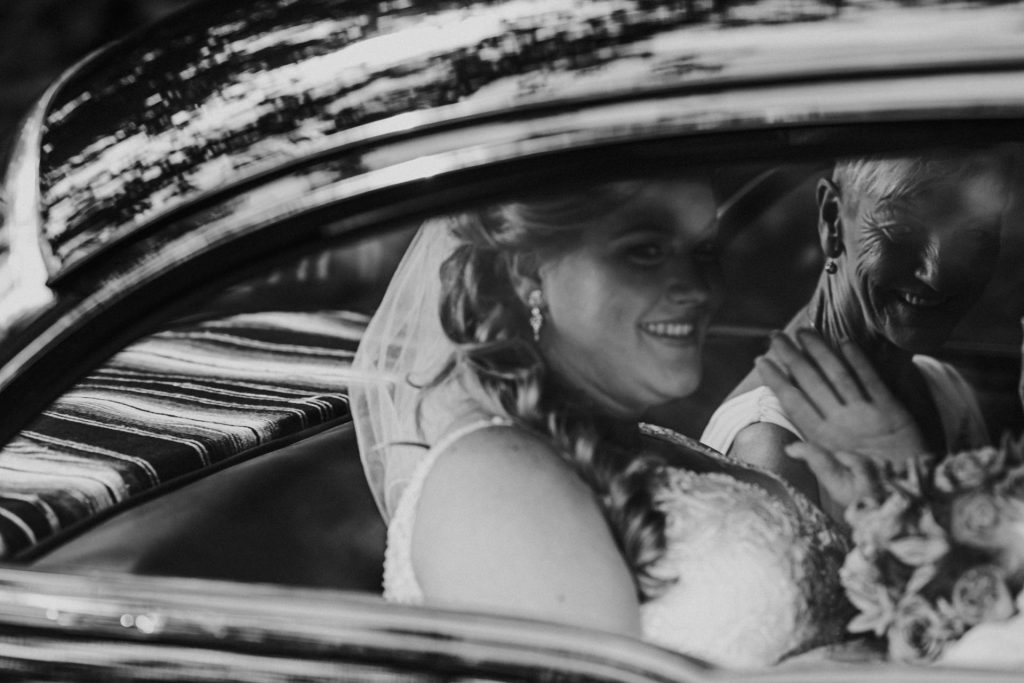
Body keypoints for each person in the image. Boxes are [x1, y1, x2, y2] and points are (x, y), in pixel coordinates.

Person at [350, 177, 851, 669]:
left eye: (703, 250)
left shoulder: (649, 444)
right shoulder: (492, 479)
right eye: (645, 252)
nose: (698, 289)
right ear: (530, 272)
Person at [701, 148, 1015, 519]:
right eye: (901, 231)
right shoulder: (770, 445)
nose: (937, 274)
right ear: (832, 219)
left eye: (975, 235)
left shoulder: (944, 388)